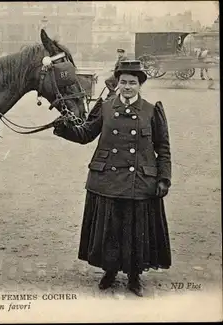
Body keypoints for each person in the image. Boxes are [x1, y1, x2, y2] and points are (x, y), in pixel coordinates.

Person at [52, 60, 172, 297]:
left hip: (139, 181)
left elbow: (163, 148)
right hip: (107, 178)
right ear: (117, 84)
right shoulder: (105, 107)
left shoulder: (151, 110)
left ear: (140, 85)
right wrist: (64, 128)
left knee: (135, 228)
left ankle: (135, 275)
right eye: (123, 82)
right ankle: (109, 271)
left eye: (132, 83)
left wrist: (163, 179)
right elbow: (86, 133)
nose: (127, 87)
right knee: (110, 226)